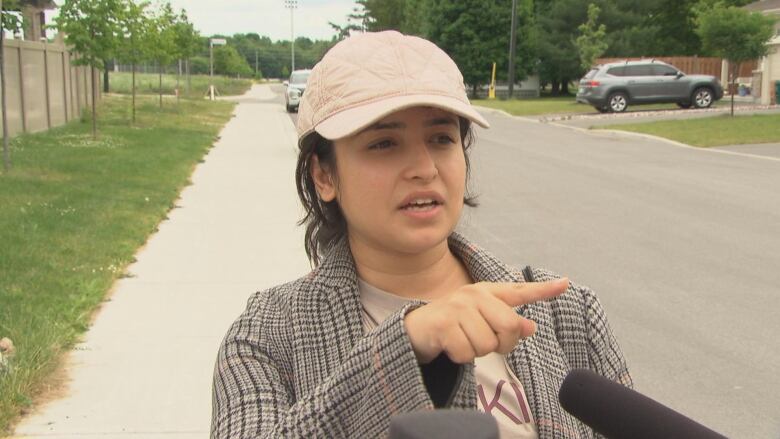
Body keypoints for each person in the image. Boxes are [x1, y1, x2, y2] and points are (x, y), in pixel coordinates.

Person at [211, 30, 632, 439]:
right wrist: (406, 344)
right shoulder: (267, 334)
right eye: (383, 144)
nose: (424, 168)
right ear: (324, 175)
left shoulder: (569, 314)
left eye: (441, 138)